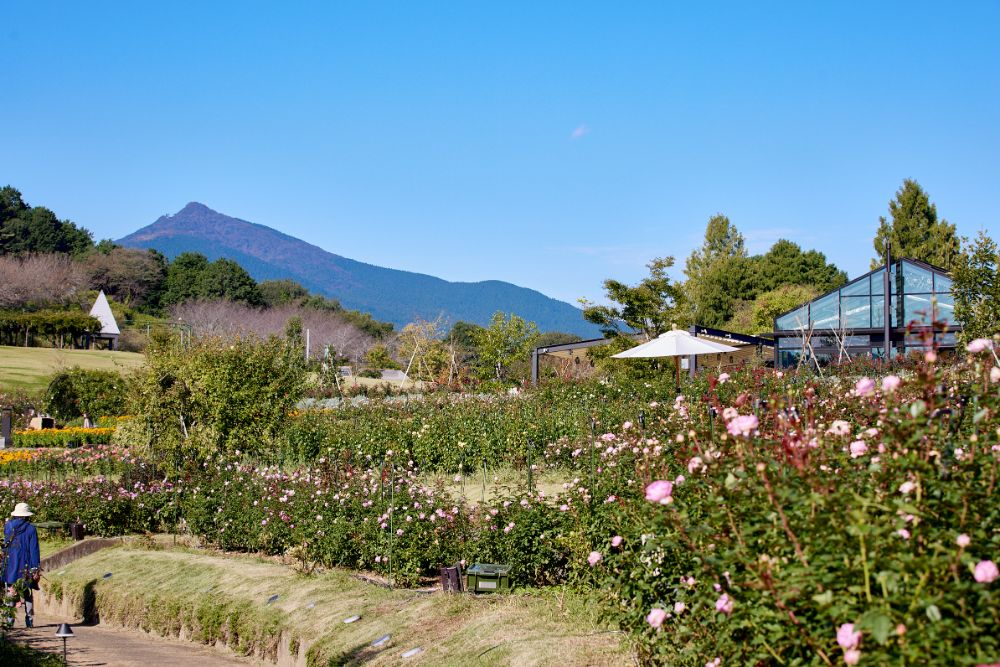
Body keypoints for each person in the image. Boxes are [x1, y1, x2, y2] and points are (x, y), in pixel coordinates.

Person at [2, 502, 41, 628]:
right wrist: (35, 568)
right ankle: (29, 620)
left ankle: (9, 621)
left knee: (10, 591)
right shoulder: (31, 529)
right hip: (26, 565)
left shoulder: (8, 526)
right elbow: (34, 550)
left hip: (10, 565)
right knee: (27, 592)